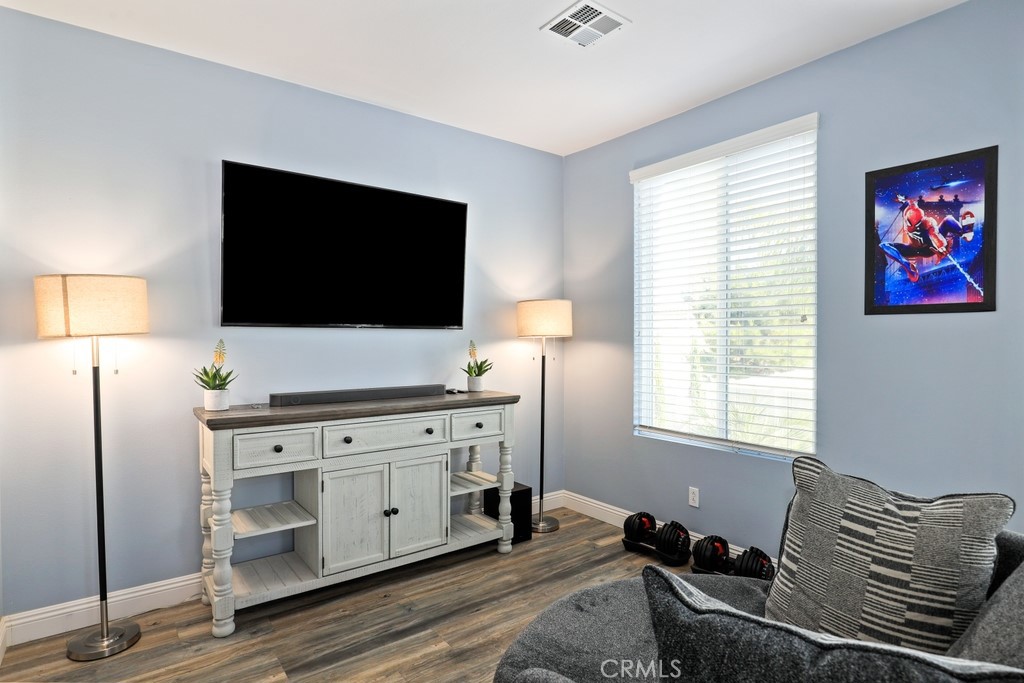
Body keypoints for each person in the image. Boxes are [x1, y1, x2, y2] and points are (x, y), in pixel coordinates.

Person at [878, 195, 960, 283]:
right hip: (914, 249)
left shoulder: (928, 223)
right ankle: (906, 264)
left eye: (918, 224)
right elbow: (912, 202)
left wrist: (940, 248)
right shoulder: (910, 212)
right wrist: (903, 199)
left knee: (949, 220)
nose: (915, 227)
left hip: (929, 249)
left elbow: (935, 236)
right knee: (883, 245)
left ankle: (963, 231)